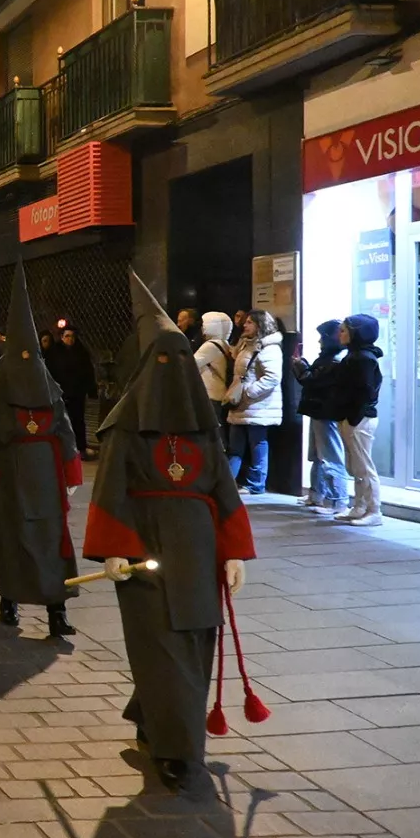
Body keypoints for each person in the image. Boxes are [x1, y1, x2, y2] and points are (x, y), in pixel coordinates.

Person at [84, 271, 264, 794]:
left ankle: (154, 716)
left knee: (192, 647)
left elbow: (224, 495)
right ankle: (178, 750)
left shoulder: (204, 432)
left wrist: (235, 554)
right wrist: (112, 550)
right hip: (144, 554)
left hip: (200, 556)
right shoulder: (125, 427)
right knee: (159, 646)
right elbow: (110, 492)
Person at [0, 263, 82, 638]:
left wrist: (71, 471)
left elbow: (65, 433)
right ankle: (9, 603)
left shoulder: (51, 394)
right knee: (13, 543)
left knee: (52, 544)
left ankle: (57, 611)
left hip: (47, 482)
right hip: (10, 482)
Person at [329, 314, 384, 526]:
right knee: (356, 466)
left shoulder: (362, 358)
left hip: (359, 419)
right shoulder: (355, 356)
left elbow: (365, 392)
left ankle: (373, 509)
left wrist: (352, 417)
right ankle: (360, 505)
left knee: (364, 466)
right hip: (351, 417)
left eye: (344, 330)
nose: (339, 334)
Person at [224, 309, 283, 495]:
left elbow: (272, 377)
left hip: (258, 405)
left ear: (260, 325)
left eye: (250, 322)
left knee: (257, 444)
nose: (245, 325)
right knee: (235, 446)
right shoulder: (246, 345)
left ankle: (256, 484)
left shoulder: (269, 348)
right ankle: (227, 483)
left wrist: (249, 392)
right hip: (241, 404)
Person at [294, 320, 349, 515]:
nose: (319, 341)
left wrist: (299, 365)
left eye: (323, 337)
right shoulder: (332, 358)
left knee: (329, 456)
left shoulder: (335, 359)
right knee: (318, 455)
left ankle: (336, 499)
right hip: (319, 410)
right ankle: (317, 494)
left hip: (326, 411)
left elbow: (312, 380)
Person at [45, 322, 98, 457]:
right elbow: (50, 372)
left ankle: (80, 448)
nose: (70, 339)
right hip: (60, 393)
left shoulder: (81, 352)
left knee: (78, 420)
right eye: (67, 336)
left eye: (72, 337)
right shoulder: (55, 352)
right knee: (60, 420)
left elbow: (88, 371)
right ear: (62, 337)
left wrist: (91, 389)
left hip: (77, 393)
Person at [193, 311, 234, 424]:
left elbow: (192, 364)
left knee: (212, 431)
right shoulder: (224, 343)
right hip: (221, 393)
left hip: (210, 394)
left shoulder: (210, 346)